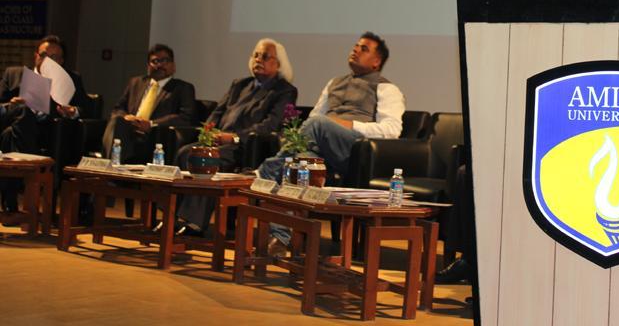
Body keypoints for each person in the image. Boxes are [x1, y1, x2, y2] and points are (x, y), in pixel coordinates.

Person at [257, 32, 405, 254]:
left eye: (364, 48)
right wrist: (324, 127)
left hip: (354, 151)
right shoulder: (334, 83)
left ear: (377, 61)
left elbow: (391, 131)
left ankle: (268, 168)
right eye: (356, 46)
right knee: (300, 162)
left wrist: (348, 125)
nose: (355, 50)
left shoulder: (386, 88)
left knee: (317, 124)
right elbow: (313, 119)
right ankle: (282, 238)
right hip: (323, 149)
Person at [173, 38, 297, 234]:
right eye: (256, 55)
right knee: (185, 152)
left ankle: (193, 222)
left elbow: (270, 125)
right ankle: (174, 216)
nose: (258, 60)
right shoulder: (239, 84)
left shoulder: (284, 91)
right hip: (218, 142)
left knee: (206, 160)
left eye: (265, 57)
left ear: (279, 64)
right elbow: (218, 112)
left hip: (245, 148)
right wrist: (209, 131)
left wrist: (233, 137)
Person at [0, 35, 90, 211]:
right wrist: (11, 104)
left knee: (9, 136)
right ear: (36, 56)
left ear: (62, 61)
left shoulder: (72, 78)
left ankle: (11, 201)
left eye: (54, 57)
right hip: (19, 127)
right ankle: (30, 166)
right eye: (44, 55)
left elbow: (87, 109)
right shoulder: (13, 74)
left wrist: (72, 111)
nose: (48, 61)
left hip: (51, 133)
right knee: (21, 113)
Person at [102, 44, 196, 165]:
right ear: (148, 66)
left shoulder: (183, 88)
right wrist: (126, 117)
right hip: (129, 128)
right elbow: (118, 108)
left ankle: (110, 166)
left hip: (154, 135)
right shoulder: (136, 82)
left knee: (118, 128)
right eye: (155, 61)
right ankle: (112, 166)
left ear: (173, 65)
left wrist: (151, 124)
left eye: (164, 61)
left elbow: (185, 117)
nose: (159, 65)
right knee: (116, 121)